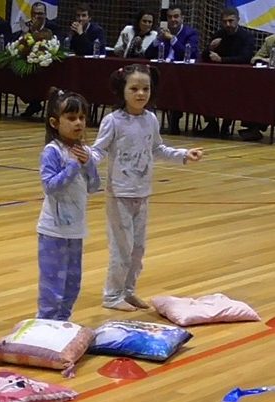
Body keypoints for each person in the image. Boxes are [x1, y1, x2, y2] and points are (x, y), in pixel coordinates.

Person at [91, 64, 203, 312]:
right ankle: (112, 295)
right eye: (134, 88)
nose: (140, 93)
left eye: (145, 88)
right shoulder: (113, 121)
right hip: (120, 193)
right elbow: (98, 149)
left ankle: (128, 291)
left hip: (142, 193)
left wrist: (184, 154)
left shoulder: (151, 119)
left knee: (138, 249)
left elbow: (157, 149)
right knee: (122, 248)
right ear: (123, 90)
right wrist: (84, 159)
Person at [36, 89, 99, 320]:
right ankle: (45, 323)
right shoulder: (52, 152)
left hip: (76, 230)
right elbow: (50, 186)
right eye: (71, 118)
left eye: (82, 117)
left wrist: (88, 164)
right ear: (55, 122)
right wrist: (72, 165)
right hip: (53, 230)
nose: (78, 123)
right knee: (52, 283)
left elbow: (94, 186)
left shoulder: (85, 151)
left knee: (73, 282)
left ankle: (62, 322)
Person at [199, 7, 256, 138]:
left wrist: (222, 59)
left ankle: (226, 125)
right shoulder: (219, 34)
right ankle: (212, 124)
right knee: (202, 89)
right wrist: (210, 48)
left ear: (238, 20)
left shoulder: (246, 37)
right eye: (225, 22)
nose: (228, 25)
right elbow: (205, 57)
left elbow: (246, 58)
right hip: (217, 79)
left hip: (239, 80)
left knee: (232, 95)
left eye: (231, 21)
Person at [146, 5, 199, 135]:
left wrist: (173, 39)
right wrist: (158, 40)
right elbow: (147, 54)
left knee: (175, 85)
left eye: (176, 16)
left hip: (183, 74)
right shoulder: (163, 33)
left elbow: (189, 54)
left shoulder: (190, 33)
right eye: (170, 17)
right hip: (163, 71)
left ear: (182, 18)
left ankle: (174, 121)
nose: (173, 20)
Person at [15, 3, 63, 118]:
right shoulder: (26, 26)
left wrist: (36, 34)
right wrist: (25, 33)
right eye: (34, 13)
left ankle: (39, 104)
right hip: (29, 63)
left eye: (40, 14)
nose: (37, 16)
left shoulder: (53, 27)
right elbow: (17, 42)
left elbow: (58, 44)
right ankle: (33, 103)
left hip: (49, 65)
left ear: (46, 15)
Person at [239, 33, 275, 141]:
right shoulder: (270, 40)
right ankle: (254, 128)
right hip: (270, 83)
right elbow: (254, 59)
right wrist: (267, 60)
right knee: (256, 93)